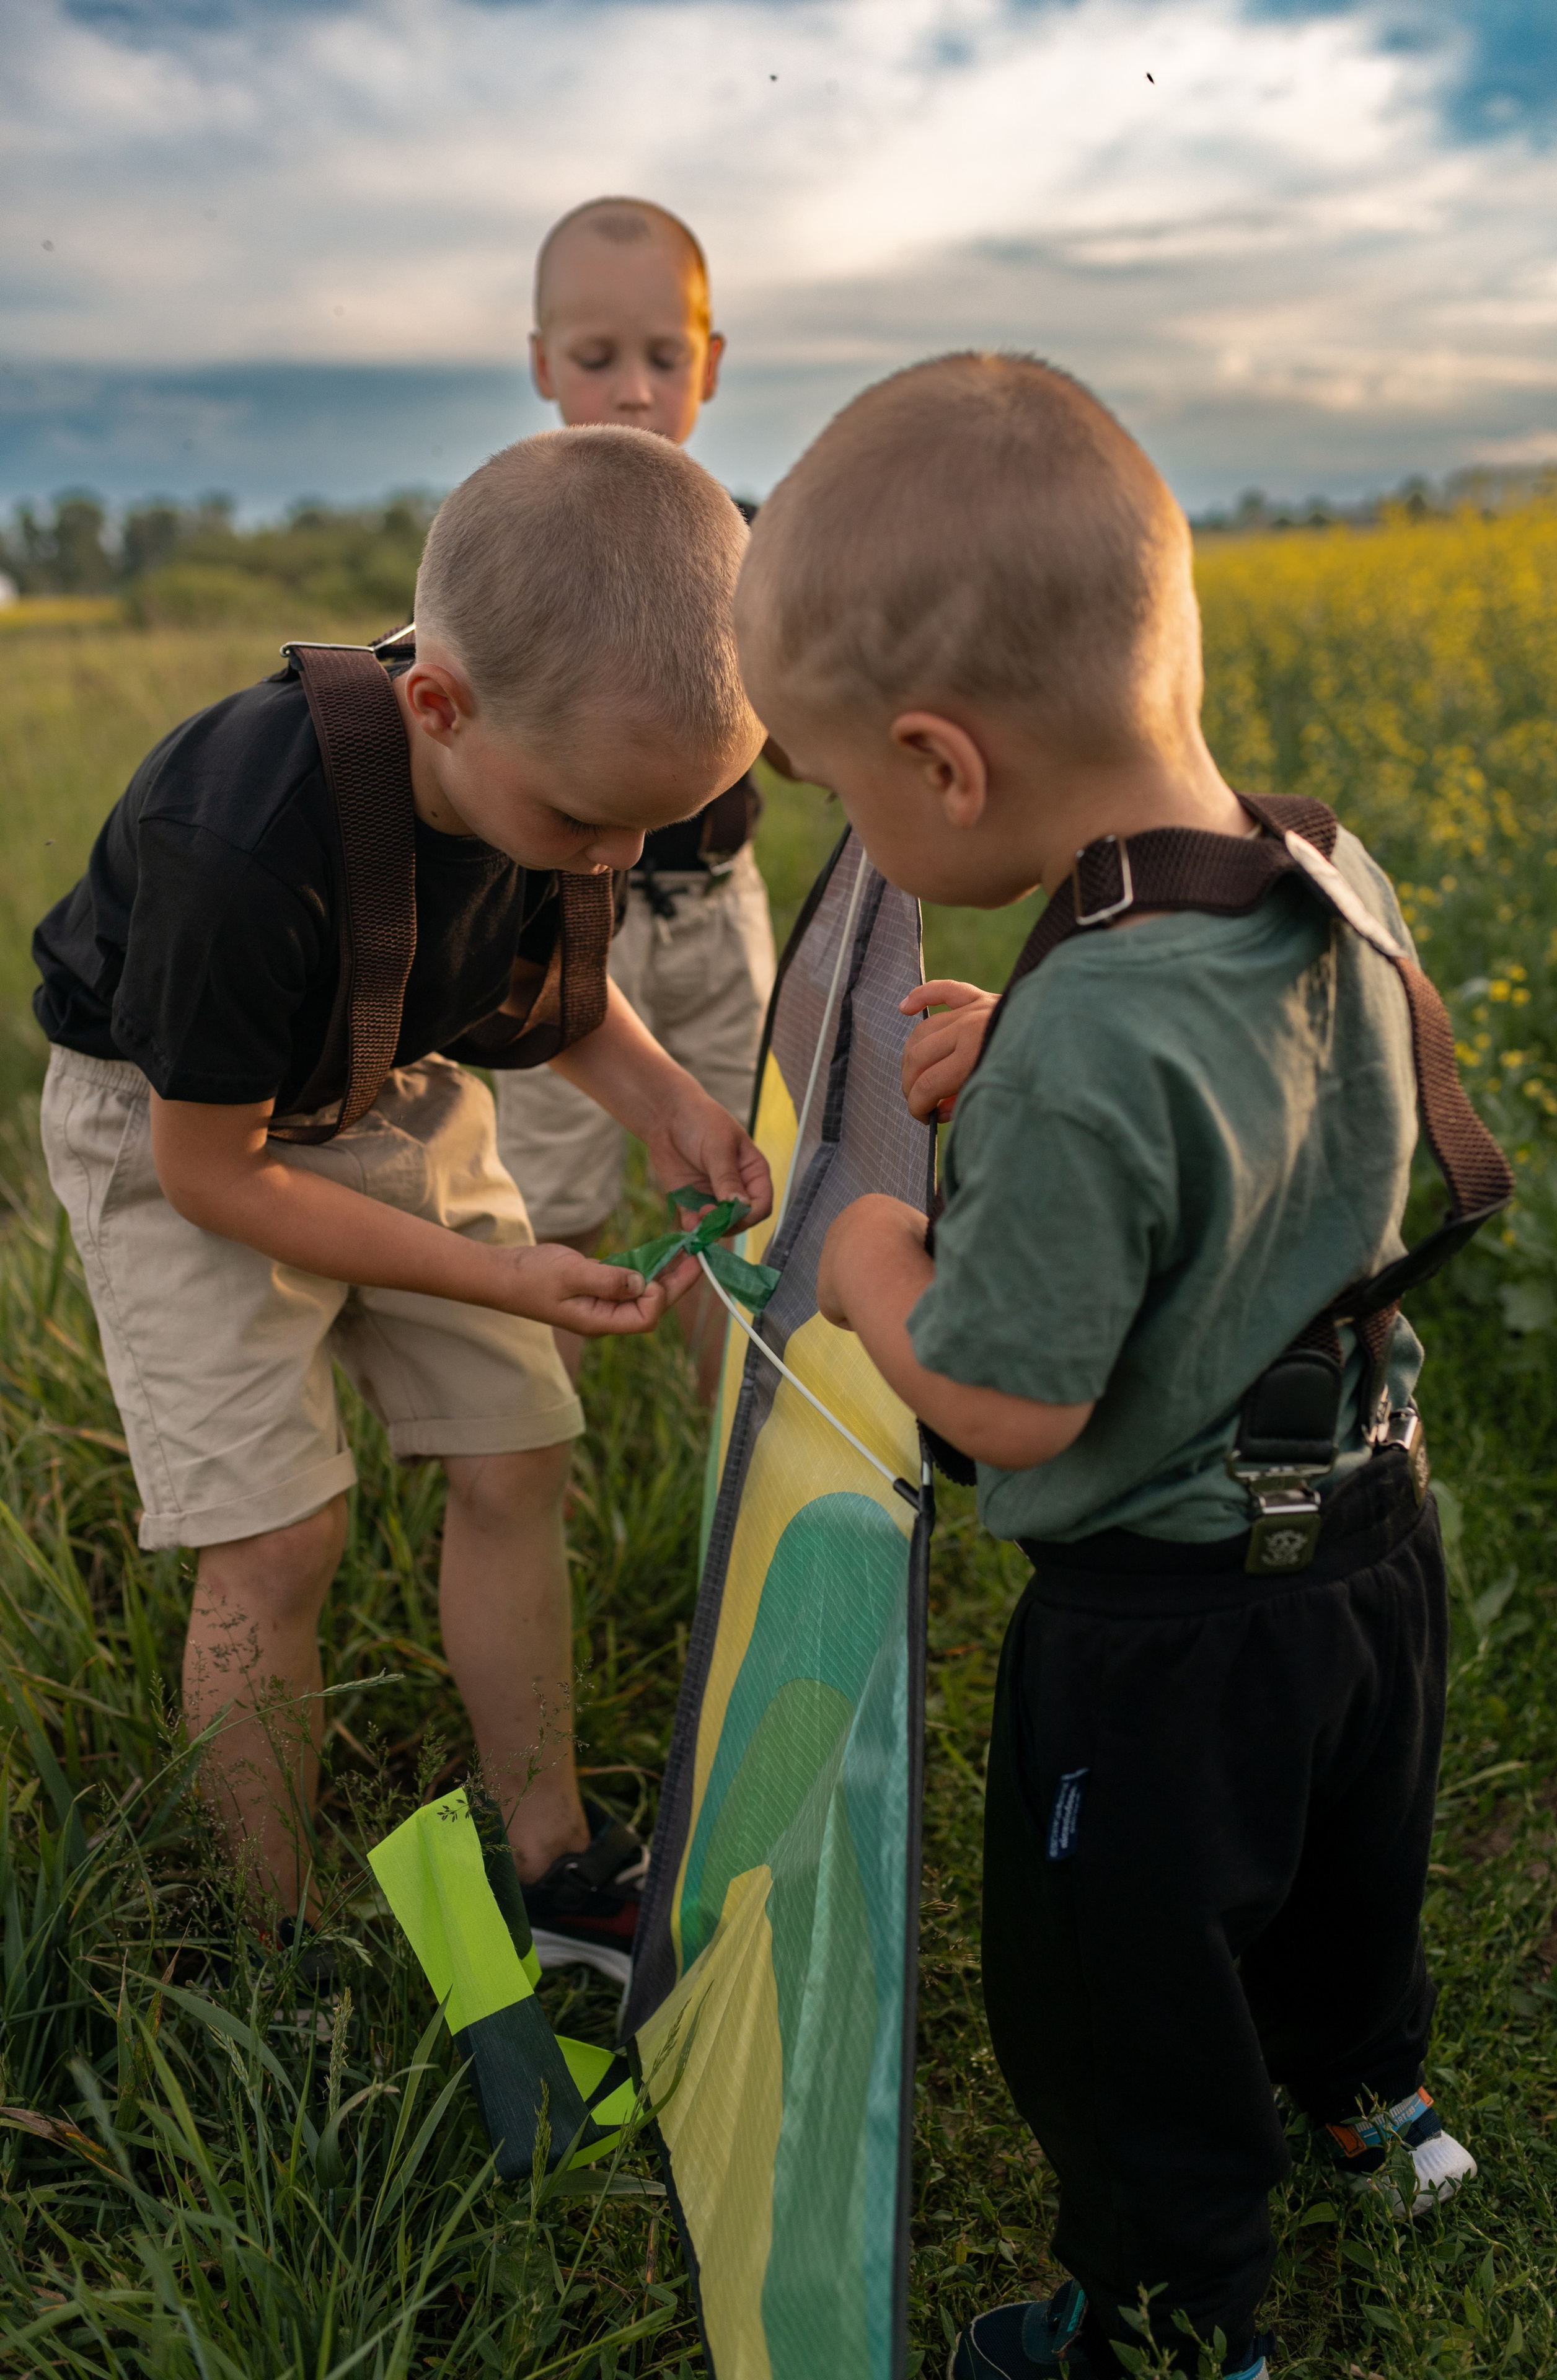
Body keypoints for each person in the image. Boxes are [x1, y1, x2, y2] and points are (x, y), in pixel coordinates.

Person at [733, 354, 1480, 2379]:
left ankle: (1167, 2322)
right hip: (1373, 1550)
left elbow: (1012, 1402)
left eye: (847, 795)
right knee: (1348, 1883)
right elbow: (1244, 1118)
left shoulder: (1089, 1052)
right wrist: (1037, 1041)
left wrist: (876, 1261)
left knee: (1116, 1999)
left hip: (1167, 1638)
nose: (860, 840)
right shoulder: (1317, 869)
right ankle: (1376, 2107)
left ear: (941, 763)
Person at [33, 427, 769, 1983]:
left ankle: (554, 1855)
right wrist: (499, 1278)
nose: (619, 859)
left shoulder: (559, 774)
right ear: (437, 706)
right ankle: (278, 1933)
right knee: (280, 1534)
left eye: (647, 829)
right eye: (592, 827)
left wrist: (676, 1109)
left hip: (394, 1081)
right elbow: (210, 1174)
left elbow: (557, 1004)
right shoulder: (237, 841)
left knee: (517, 1445)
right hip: (182, 1133)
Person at [494, 195, 778, 1404]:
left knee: (741, 1182)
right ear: (543, 365)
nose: (631, 391)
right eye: (597, 359)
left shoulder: (751, 542)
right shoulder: (512, 544)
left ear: (707, 366)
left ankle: (738, 1452)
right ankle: (530, 1454)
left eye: (663, 360)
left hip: (719, 914)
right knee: (546, 1197)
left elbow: (808, 723)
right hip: (555, 923)